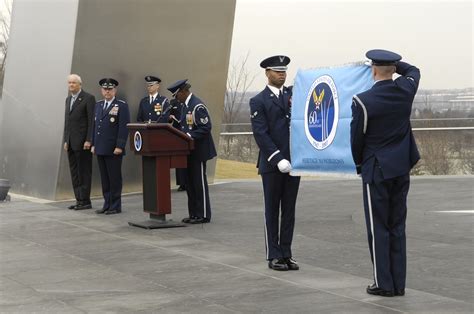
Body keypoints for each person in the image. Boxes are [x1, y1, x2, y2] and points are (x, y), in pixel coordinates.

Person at [350, 49, 420, 297]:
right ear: (391, 68)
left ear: (374, 70)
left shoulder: (362, 101)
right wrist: (396, 65)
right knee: (397, 226)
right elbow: (413, 71)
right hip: (401, 168)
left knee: (378, 227)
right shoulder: (405, 91)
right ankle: (398, 283)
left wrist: (360, 166)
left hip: (376, 170)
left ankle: (383, 283)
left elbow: (356, 140)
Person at [249, 55, 301, 271]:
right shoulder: (258, 101)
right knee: (272, 210)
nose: (282, 74)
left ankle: (286, 252)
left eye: (284, 71)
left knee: (289, 210)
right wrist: (278, 158)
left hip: (294, 163)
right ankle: (273, 254)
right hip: (273, 165)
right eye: (277, 71)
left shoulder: (293, 95)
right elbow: (261, 134)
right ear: (267, 73)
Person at [167, 79, 216, 224]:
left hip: (199, 151)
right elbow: (183, 126)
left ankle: (203, 214)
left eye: (176, 95)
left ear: (183, 92)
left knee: (198, 183)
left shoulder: (197, 106)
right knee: (190, 184)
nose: (176, 99)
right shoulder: (185, 106)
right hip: (188, 151)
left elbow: (206, 127)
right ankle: (194, 213)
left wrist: (189, 136)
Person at [91, 78, 131, 215]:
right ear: (101, 90)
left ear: (115, 90)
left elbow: (123, 128)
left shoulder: (121, 105)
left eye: (110, 89)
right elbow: (95, 127)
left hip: (114, 149)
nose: (107, 91)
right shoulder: (98, 105)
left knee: (114, 178)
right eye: (105, 89)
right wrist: (93, 144)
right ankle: (106, 204)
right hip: (101, 147)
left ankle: (115, 205)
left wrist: (120, 145)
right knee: (105, 179)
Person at [62, 74, 96, 210]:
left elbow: (91, 121)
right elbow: (67, 122)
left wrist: (89, 140)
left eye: (74, 83)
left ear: (80, 84)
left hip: (83, 143)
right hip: (71, 142)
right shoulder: (68, 99)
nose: (71, 85)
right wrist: (66, 140)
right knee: (74, 172)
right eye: (69, 83)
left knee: (84, 172)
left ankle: (86, 201)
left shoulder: (88, 98)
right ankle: (79, 200)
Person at [169, 98, 187, 192]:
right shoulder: (173, 103)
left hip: (187, 133)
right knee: (179, 158)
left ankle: (189, 181)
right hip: (177, 133)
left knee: (188, 158)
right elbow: (168, 119)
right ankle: (182, 183)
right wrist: (170, 117)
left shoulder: (187, 102)